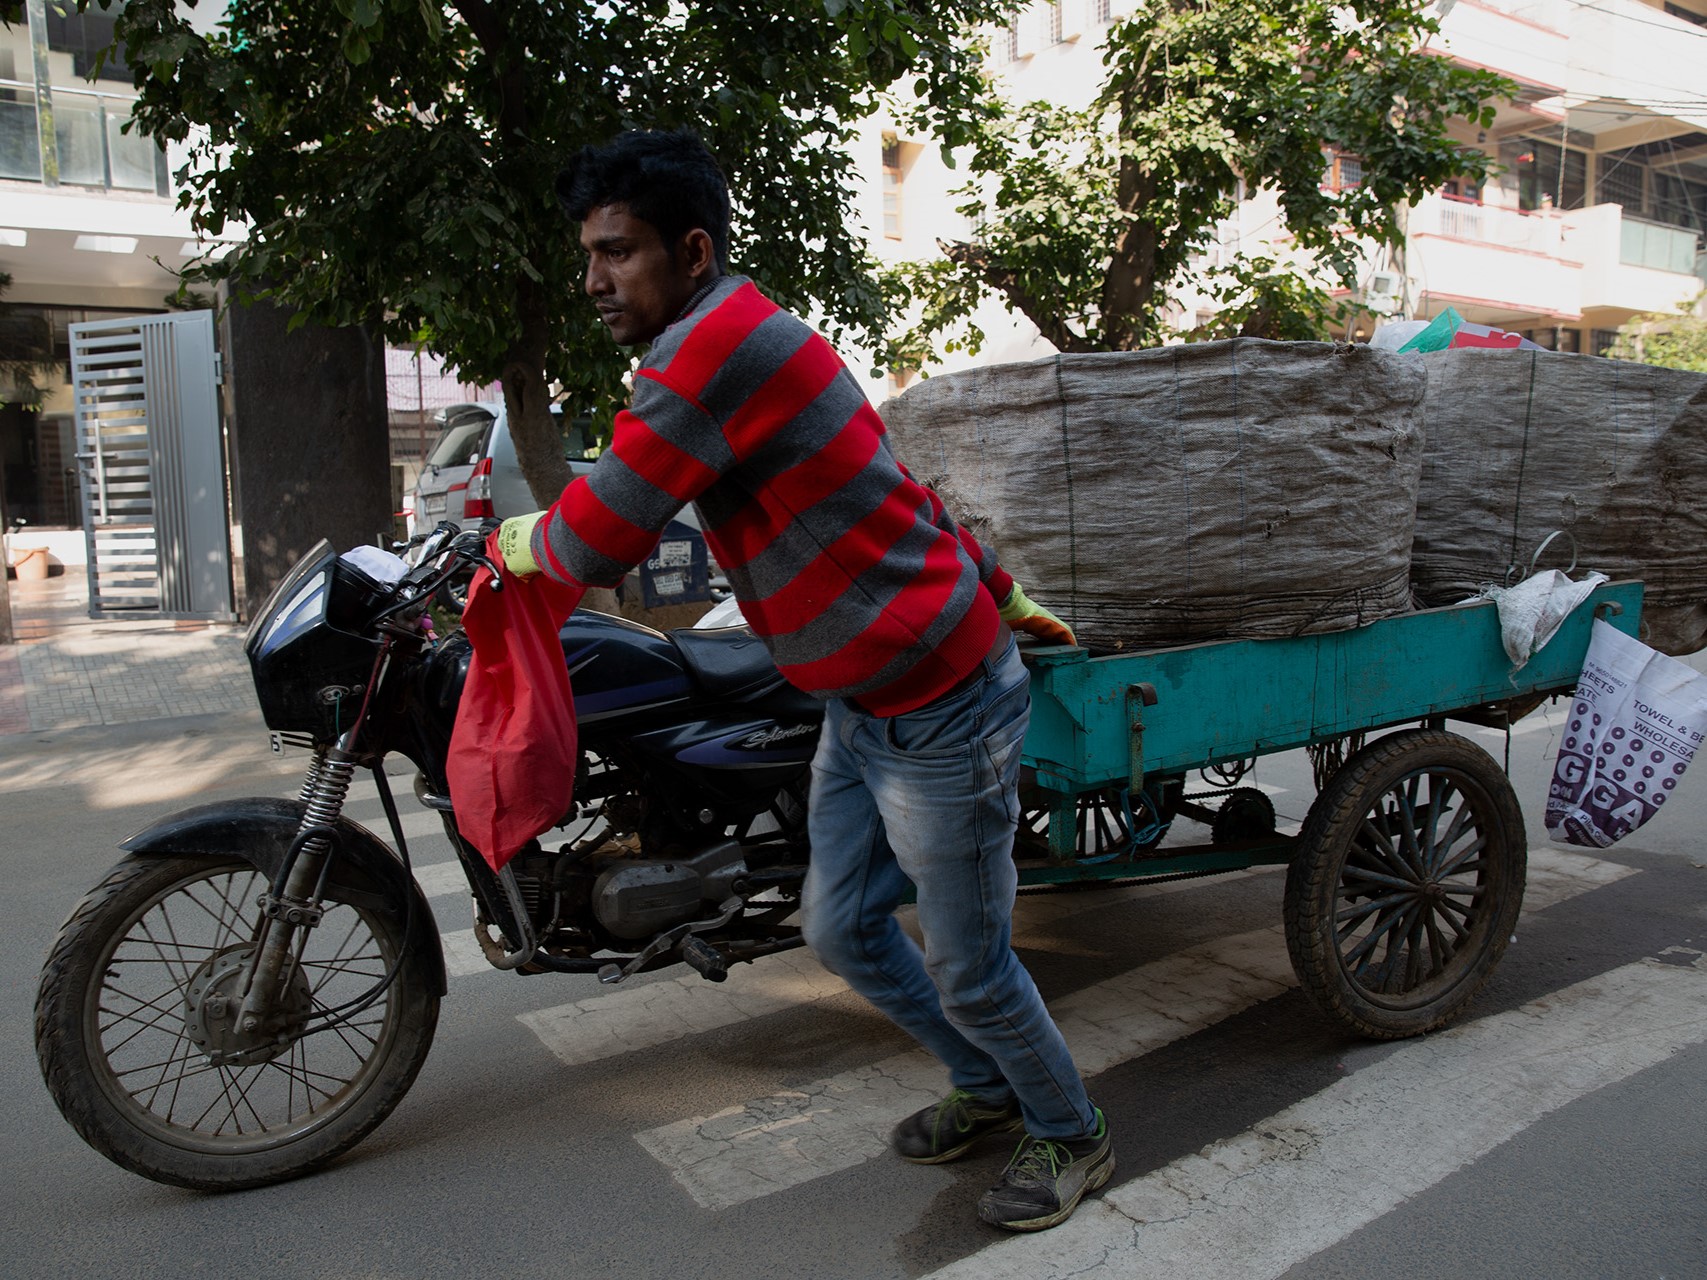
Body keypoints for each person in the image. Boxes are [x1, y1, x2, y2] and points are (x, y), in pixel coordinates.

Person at [495, 129, 1111, 1232]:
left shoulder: (712, 351)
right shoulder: (747, 334)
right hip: (864, 700)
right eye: (587, 254)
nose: (592, 279)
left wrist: (505, 547)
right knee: (842, 928)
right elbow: (893, 491)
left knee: (970, 965)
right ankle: (984, 1085)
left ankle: (1071, 1130)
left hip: (941, 703)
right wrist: (1008, 591)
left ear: (691, 250)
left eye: (616, 252)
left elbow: (596, 539)